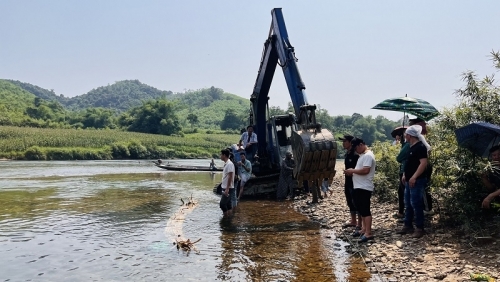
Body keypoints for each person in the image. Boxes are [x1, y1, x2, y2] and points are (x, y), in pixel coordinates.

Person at [397, 125, 431, 238]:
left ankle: (419, 228)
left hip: (417, 180)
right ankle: (408, 225)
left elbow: (423, 163)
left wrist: (414, 177)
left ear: (410, 135)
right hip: (408, 179)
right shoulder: (411, 147)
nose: (404, 136)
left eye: (405, 134)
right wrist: (406, 175)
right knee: (408, 202)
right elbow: (408, 163)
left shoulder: (420, 147)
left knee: (416, 203)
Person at [344, 138, 376, 243]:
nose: (356, 151)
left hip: (364, 186)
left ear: (361, 145)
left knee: (365, 210)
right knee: (360, 209)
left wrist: (352, 171)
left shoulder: (368, 155)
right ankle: (363, 229)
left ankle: (368, 233)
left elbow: (366, 170)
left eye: (356, 148)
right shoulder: (363, 155)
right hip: (359, 186)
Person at [339, 135, 361, 229]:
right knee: (349, 200)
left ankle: (360, 223)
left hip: (355, 182)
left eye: (345, 141)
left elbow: (359, 169)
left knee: (357, 201)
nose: (343, 143)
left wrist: (352, 173)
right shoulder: (347, 154)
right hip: (347, 181)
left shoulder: (355, 155)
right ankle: (353, 221)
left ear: (350, 142)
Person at [395, 131, 410, 220]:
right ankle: (401, 212)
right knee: (401, 192)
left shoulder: (408, 145)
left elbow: (399, 158)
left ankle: (405, 214)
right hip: (404, 171)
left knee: (404, 193)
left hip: (404, 171)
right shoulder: (406, 144)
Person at [219, 149, 235, 217]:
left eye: (221, 155)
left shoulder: (229, 164)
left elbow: (230, 176)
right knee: (228, 204)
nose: (220, 156)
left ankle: (226, 218)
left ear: (224, 155)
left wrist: (227, 188)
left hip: (227, 188)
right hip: (226, 187)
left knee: (222, 204)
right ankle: (229, 218)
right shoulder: (227, 164)